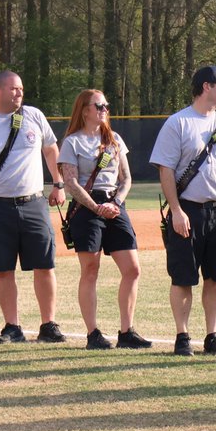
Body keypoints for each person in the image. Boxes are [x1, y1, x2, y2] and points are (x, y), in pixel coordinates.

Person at [0, 71, 68, 344]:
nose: (19, 93)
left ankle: (48, 325)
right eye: (12, 89)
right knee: (3, 268)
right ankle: (12, 327)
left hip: (33, 203)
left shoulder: (34, 116)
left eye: (20, 88)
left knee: (44, 264)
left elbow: (51, 150)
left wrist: (59, 183)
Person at [150, 65, 216, 356]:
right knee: (183, 276)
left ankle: (212, 335)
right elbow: (165, 170)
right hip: (188, 211)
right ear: (206, 86)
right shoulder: (178, 123)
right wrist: (177, 211)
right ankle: (182, 336)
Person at [58, 89, 149, 351]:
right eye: (99, 106)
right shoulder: (73, 142)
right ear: (84, 110)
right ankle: (93, 333)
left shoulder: (114, 139)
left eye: (106, 106)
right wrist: (97, 207)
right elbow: (71, 182)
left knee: (132, 269)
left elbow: (126, 178)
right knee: (90, 270)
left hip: (114, 204)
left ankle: (126, 332)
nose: (104, 110)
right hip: (87, 207)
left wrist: (116, 203)